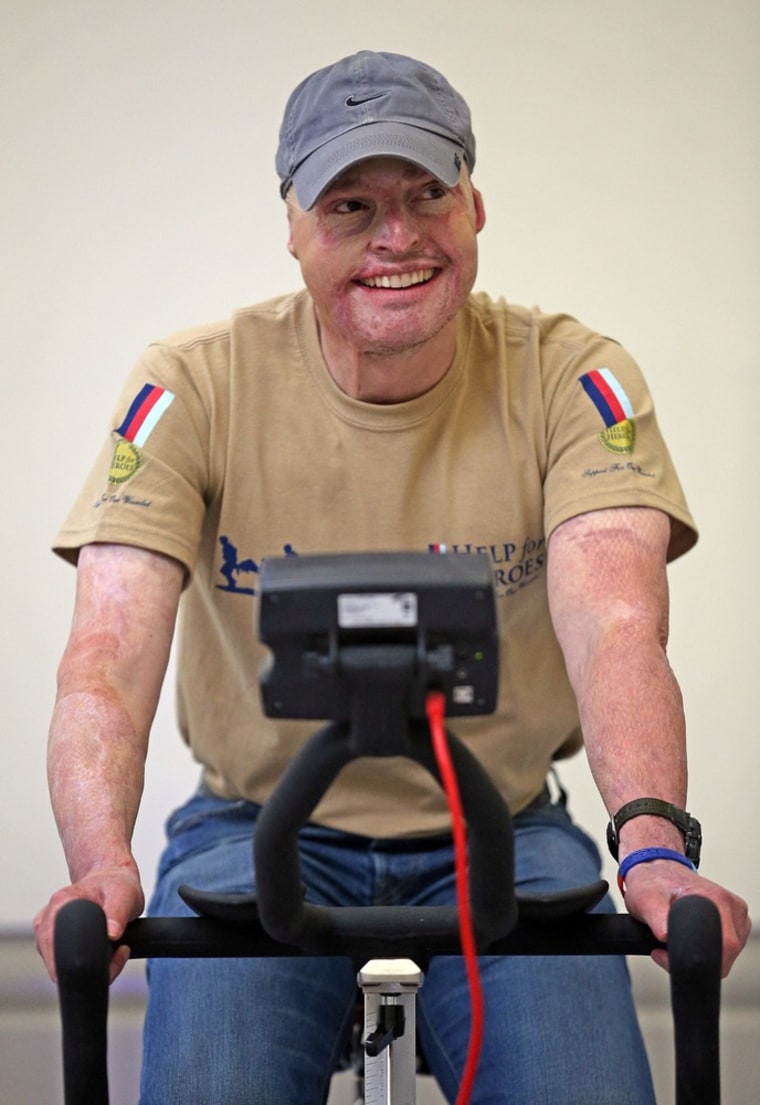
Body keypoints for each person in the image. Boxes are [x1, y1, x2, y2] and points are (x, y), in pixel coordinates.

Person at [35, 50, 750, 1105]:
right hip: (258, 828)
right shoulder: (190, 388)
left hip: (501, 826)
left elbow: (616, 624)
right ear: (293, 225)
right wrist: (100, 863)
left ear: (475, 205)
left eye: (426, 194)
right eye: (351, 206)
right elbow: (106, 653)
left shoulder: (572, 378)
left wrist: (650, 842)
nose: (397, 236)